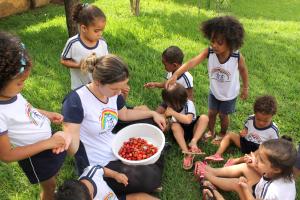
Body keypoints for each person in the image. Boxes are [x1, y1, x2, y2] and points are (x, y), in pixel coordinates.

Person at [61, 54, 166, 196]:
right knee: (149, 178)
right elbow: (72, 149)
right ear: (98, 82)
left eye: (121, 88)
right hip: (98, 161)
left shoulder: (112, 93)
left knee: (154, 125)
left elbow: (125, 114)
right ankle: (146, 170)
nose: (119, 93)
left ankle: (148, 165)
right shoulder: (75, 102)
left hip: (115, 143)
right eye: (115, 89)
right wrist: (64, 140)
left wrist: (153, 113)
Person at [0, 31, 67, 200]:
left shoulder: (10, 94)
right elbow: (7, 155)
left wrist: (46, 114)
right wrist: (48, 143)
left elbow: (25, 109)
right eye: (20, 82)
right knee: (49, 186)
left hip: (46, 144)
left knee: (53, 178)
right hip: (34, 156)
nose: (23, 86)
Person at [165, 16, 249, 144]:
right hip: (214, 91)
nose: (214, 45)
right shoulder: (209, 52)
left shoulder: (236, 56)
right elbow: (192, 62)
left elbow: (243, 70)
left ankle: (222, 133)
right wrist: (176, 74)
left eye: (219, 42)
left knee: (223, 115)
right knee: (211, 113)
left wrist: (245, 87)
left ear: (231, 42)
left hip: (229, 94)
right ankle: (211, 131)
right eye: (212, 41)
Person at [194, 138, 297, 200]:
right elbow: (266, 173)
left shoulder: (273, 190)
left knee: (238, 184)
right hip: (259, 194)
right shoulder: (281, 172)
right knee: (246, 167)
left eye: (261, 160)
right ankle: (212, 172)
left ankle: (212, 189)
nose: (256, 159)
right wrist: (255, 165)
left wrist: (245, 189)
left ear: (276, 168)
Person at [205, 95, 279, 165]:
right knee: (230, 134)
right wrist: (243, 132)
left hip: (258, 150)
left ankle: (235, 161)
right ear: (255, 113)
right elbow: (246, 129)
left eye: (265, 121)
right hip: (246, 143)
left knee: (263, 149)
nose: (261, 123)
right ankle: (217, 155)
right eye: (258, 119)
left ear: (272, 116)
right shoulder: (250, 119)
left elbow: (274, 146)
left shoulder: (273, 130)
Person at [60, 3, 108, 90]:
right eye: (96, 31)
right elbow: (63, 61)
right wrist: (79, 65)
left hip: (99, 87)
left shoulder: (102, 42)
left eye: (102, 30)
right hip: (80, 88)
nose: (100, 34)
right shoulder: (73, 43)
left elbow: (107, 60)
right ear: (84, 28)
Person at [161, 83, 208, 170]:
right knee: (175, 126)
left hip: (193, 129)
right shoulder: (169, 107)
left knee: (204, 118)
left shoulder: (188, 104)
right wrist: (165, 124)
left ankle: (194, 141)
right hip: (180, 133)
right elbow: (165, 120)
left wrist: (173, 113)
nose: (167, 104)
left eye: (168, 102)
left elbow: (188, 120)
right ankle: (186, 152)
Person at [55, 165, 159, 200]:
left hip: (114, 198)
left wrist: (116, 175)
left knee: (139, 197)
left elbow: (102, 170)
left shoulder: (92, 172)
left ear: (91, 196)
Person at [144, 46, 193, 113]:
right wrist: (155, 84)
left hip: (179, 105)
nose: (164, 68)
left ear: (174, 65)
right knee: (156, 113)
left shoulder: (186, 78)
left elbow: (190, 97)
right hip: (169, 100)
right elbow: (167, 83)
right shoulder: (170, 72)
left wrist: (183, 112)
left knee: (166, 119)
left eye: (165, 65)